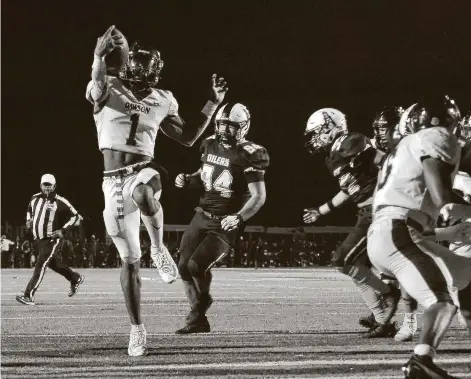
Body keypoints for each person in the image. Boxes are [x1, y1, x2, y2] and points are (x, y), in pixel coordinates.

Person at [85, 26, 228, 356]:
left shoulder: (163, 98)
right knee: (128, 262)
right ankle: (137, 328)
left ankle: (159, 248)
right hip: (112, 181)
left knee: (143, 193)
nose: (138, 70)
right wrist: (97, 55)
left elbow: (188, 137)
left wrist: (212, 103)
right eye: (135, 64)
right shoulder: (109, 87)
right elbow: (97, 79)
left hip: (145, 170)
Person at [367, 95, 471, 378]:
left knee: (467, 274)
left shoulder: (401, 150)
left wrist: (449, 230)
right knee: (441, 301)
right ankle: (421, 360)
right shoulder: (435, 136)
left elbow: (424, 217)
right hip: (398, 231)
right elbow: (442, 198)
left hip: (396, 232)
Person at [303, 108, 400, 338]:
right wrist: (320, 210)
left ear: (330, 126)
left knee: (343, 259)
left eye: (316, 132)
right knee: (356, 267)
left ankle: (389, 295)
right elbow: (348, 188)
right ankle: (380, 319)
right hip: (365, 211)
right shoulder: (333, 155)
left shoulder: (350, 141)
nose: (314, 138)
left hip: (377, 210)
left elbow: (384, 162)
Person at [174, 102, 269, 334]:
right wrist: (188, 179)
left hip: (226, 220)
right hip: (202, 213)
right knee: (183, 268)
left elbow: (259, 196)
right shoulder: (208, 144)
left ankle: (201, 304)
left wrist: (238, 217)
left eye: (231, 127)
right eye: (222, 125)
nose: (225, 131)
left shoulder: (251, 153)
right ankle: (199, 319)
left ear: (243, 127)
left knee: (197, 265)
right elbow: (205, 175)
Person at [16, 174, 84, 306]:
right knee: (53, 264)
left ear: (54, 186)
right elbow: (29, 209)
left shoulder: (60, 201)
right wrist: (28, 220)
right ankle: (75, 278)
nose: (47, 188)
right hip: (39, 240)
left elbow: (76, 216)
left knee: (40, 264)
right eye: (45, 185)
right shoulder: (34, 198)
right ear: (40, 185)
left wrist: (62, 231)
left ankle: (28, 295)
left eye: (49, 185)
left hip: (52, 240)